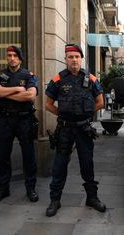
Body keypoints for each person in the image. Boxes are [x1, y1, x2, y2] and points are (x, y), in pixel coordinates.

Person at [44, 44, 106, 217]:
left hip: (84, 129)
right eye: (70, 57)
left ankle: (92, 198)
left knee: (87, 164)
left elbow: (100, 102)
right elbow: (48, 104)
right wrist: (63, 115)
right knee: (59, 166)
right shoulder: (58, 79)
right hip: (64, 130)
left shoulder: (91, 79)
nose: (74, 60)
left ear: (81, 59)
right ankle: (55, 200)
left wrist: (84, 114)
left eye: (77, 57)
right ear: (65, 59)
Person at [0, 45, 39, 203]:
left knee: (28, 156)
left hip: (24, 120)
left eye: (14, 55)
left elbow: (30, 96)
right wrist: (18, 89)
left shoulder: (28, 75)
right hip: (5, 120)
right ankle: (3, 189)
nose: (11, 58)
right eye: (9, 55)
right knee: (3, 156)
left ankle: (31, 188)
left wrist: (4, 93)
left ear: (20, 58)